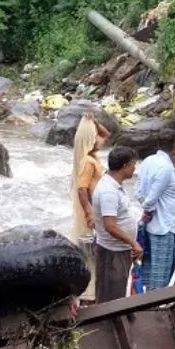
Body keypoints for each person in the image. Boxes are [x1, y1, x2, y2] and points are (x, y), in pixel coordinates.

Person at [93, 147, 143, 304]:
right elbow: (110, 226)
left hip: (117, 250)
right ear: (125, 166)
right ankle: (108, 325)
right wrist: (134, 243)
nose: (135, 168)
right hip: (113, 252)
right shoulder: (109, 192)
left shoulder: (113, 185)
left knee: (116, 290)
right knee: (111, 296)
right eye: (133, 164)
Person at [70, 114, 110, 299]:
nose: (97, 137)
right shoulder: (88, 162)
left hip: (96, 209)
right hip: (92, 212)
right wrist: (89, 214)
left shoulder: (91, 156)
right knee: (93, 255)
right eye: (93, 135)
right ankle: (90, 293)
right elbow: (82, 190)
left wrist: (94, 122)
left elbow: (107, 135)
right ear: (88, 140)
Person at [135, 136, 175, 292]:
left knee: (150, 272)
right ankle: (158, 308)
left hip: (153, 226)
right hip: (164, 227)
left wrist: (146, 212)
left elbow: (138, 192)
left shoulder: (148, 161)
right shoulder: (166, 169)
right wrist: (148, 211)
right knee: (162, 277)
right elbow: (152, 197)